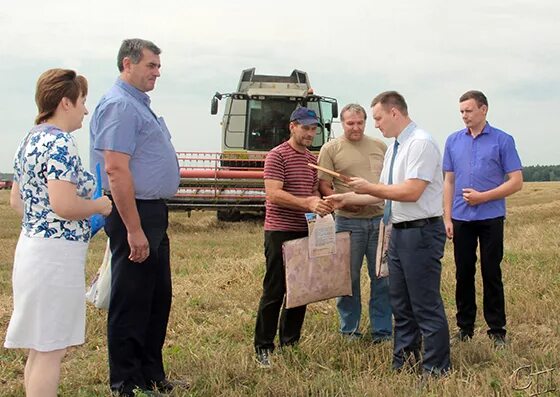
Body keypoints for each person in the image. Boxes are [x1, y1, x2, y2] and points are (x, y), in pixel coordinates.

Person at [4, 68, 112, 397]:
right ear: (65, 103)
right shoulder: (60, 143)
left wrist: (43, 225)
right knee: (51, 349)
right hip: (55, 259)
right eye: (82, 101)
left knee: (40, 349)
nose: (85, 109)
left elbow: (15, 200)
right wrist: (98, 206)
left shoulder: (30, 139)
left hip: (33, 249)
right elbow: (63, 204)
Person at [329, 91, 451, 376]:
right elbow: (384, 196)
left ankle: (436, 369)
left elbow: (410, 191)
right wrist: (345, 200)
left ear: (395, 113)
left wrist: (367, 188)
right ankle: (405, 362)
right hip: (398, 232)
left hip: (421, 233)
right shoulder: (396, 147)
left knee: (425, 304)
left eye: (378, 118)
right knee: (401, 303)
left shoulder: (420, 143)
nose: (376, 125)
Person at [89, 39, 181, 396]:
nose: (157, 72)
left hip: (152, 211)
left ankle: (151, 375)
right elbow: (115, 169)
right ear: (128, 64)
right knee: (131, 298)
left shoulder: (138, 105)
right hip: (135, 212)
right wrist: (134, 229)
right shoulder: (119, 106)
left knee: (157, 297)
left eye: (158, 65)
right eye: (151, 65)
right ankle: (124, 382)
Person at [254, 106, 333, 367]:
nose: (310, 133)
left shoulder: (312, 160)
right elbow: (274, 194)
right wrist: (308, 203)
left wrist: (324, 203)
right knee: (275, 289)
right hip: (280, 230)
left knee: (301, 290)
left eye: (314, 129)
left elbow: (313, 193)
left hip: (305, 229)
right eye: (306, 128)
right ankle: (264, 346)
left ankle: (290, 342)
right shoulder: (277, 156)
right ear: (293, 126)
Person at [443, 90, 523, 348]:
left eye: (468, 110)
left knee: (491, 273)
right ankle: (464, 328)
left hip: (491, 217)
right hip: (461, 218)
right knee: (463, 273)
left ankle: (497, 330)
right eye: (461, 112)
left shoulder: (503, 140)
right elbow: (449, 180)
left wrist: (483, 197)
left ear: (484, 109)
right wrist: (447, 216)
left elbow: (516, 182)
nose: (464, 116)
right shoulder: (453, 141)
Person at [317, 103, 392, 342]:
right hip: (348, 223)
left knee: (382, 277)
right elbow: (324, 185)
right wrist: (346, 203)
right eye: (350, 123)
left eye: (360, 123)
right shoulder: (331, 149)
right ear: (342, 123)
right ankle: (350, 330)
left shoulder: (380, 146)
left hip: (379, 220)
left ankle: (382, 330)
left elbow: (388, 182)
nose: (355, 128)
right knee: (348, 279)